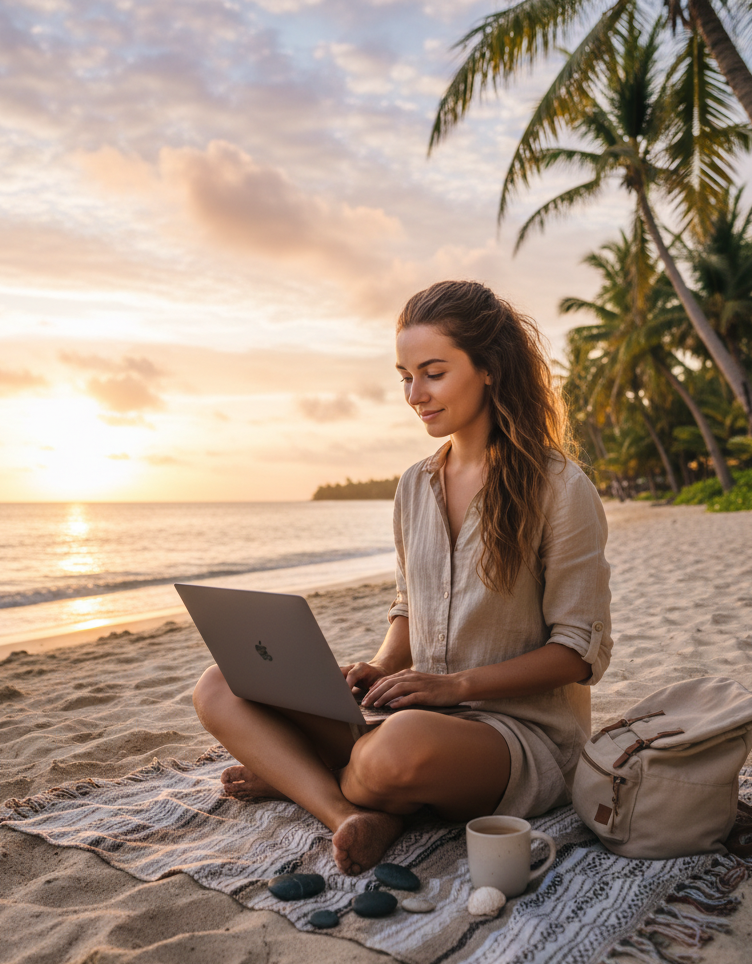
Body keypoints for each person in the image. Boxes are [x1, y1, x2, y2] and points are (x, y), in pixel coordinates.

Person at [193, 280, 612, 876]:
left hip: (515, 736)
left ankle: (301, 778)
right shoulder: (416, 485)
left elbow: (577, 653)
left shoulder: (560, 488)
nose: (415, 394)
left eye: (433, 372)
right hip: (416, 712)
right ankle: (349, 815)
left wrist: (454, 687)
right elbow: (409, 604)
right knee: (219, 683)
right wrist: (383, 666)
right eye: (405, 376)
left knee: (393, 751)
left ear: (489, 368)